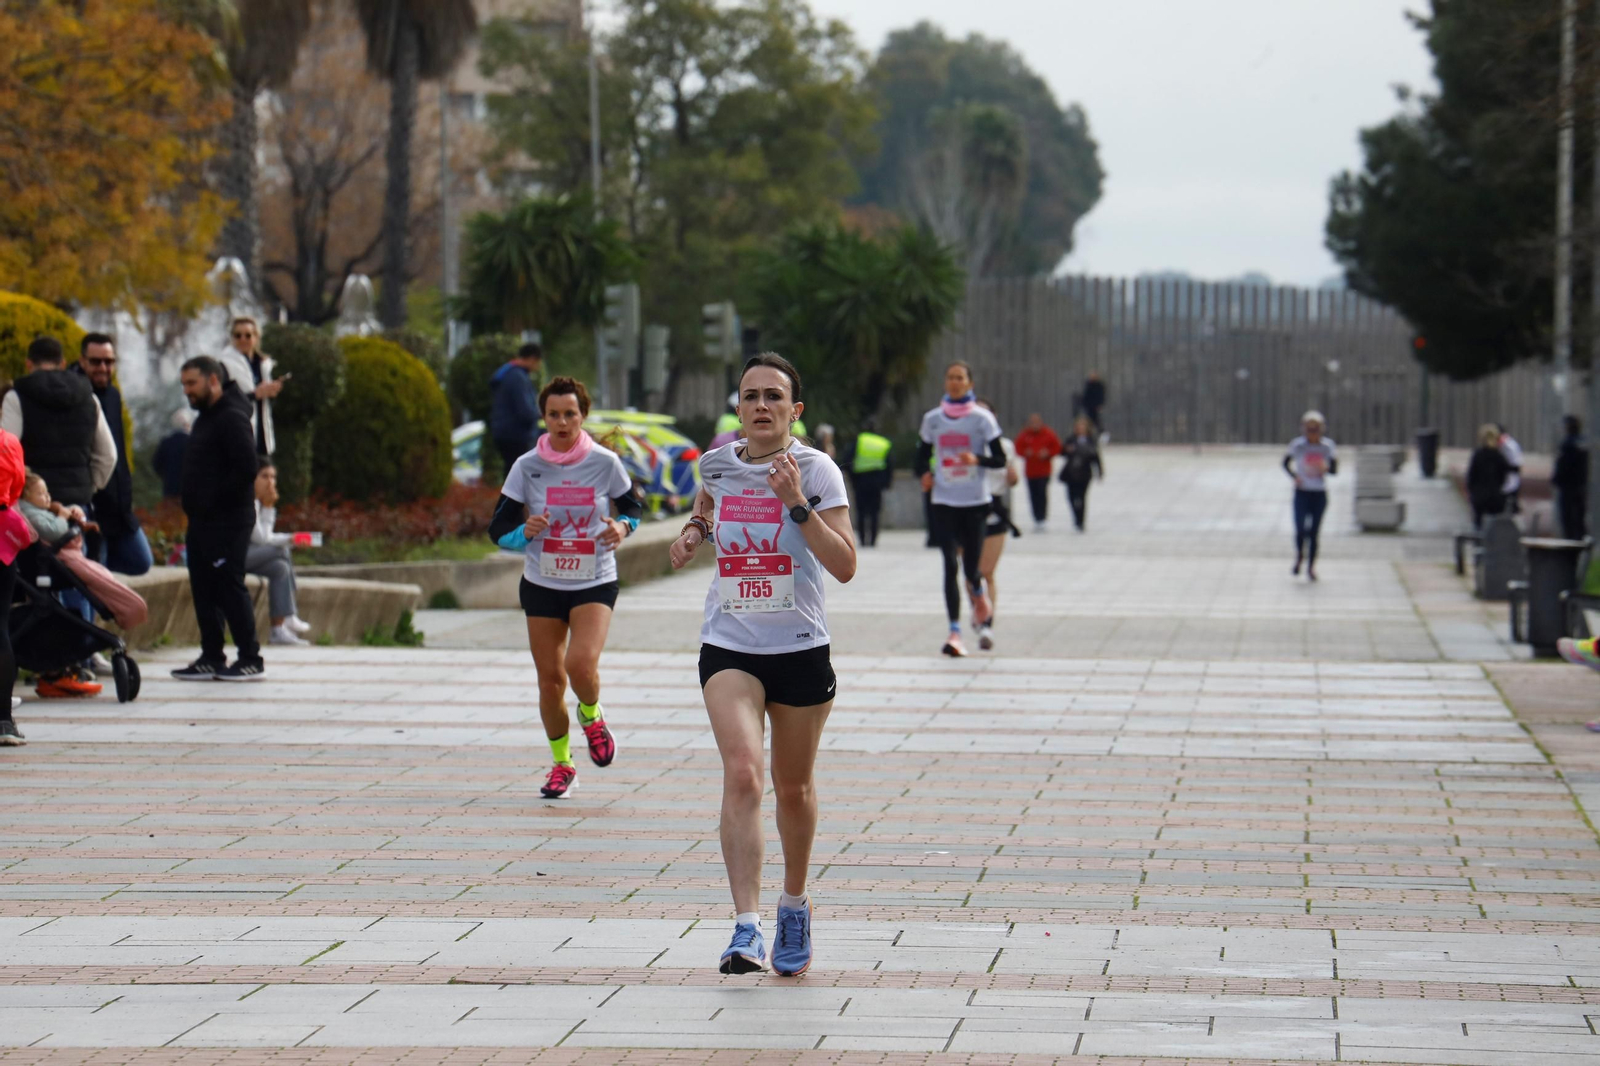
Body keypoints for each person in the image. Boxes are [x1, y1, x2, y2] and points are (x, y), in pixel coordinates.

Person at [668, 353, 855, 977]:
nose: (761, 406)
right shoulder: (718, 461)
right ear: (737, 406)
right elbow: (709, 497)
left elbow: (846, 564)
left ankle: (794, 905)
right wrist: (696, 530)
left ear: (794, 410)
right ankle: (745, 928)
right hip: (730, 643)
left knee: (793, 789)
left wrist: (796, 503)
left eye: (774, 396)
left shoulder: (817, 470)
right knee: (744, 774)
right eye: (750, 396)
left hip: (800, 647)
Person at [487, 376, 640, 800]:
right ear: (544, 417)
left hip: (594, 578)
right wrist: (525, 532)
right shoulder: (526, 466)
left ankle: (591, 715)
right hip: (542, 582)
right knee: (550, 682)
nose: (562, 422)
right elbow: (497, 529)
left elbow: (633, 506)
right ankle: (562, 764)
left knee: (580, 665)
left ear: (583, 415)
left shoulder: (605, 462)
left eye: (570, 413)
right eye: (553, 414)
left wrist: (622, 527)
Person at [172, 356, 265, 682]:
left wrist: (212, 501)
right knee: (203, 588)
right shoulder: (208, 416)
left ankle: (250, 657)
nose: (187, 391)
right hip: (202, 521)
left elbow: (246, 469)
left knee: (228, 585)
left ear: (213, 381)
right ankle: (212, 655)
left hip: (228, 521)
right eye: (184, 384)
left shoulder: (231, 417)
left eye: (192, 383)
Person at [919, 361, 1008, 657]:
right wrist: (926, 475)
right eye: (950, 377)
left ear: (970, 383)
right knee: (949, 565)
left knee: (972, 569)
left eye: (960, 378)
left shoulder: (982, 420)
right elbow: (920, 458)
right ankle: (955, 631)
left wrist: (977, 460)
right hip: (944, 501)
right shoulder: (932, 419)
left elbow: (999, 460)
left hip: (975, 503)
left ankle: (979, 594)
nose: (954, 382)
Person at [0, 337, 116, 511]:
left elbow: (6, 454)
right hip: (78, 505)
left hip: (32, 506)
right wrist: (88, 486)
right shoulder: (89, 398)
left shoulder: (17, 397)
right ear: (62, 363)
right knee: (76, 539)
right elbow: (109, 455)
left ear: (29, 364)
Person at [72, 334, 151, 575]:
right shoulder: (74, 395)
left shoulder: (113, 395)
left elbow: (117, 452)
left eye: (109, 361)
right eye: (96, 362)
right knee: (93, 579)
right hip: (92, 506)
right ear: (82, 361)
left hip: (120, 509)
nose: (103, 368)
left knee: (141, 561)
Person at [248, 457, 312, 647]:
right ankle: (290, 614)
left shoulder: (258, 503)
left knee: (279, 567)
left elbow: (264, 537)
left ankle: (278, 630)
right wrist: (269, 508)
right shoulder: (248, 502)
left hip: (251, 553)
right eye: (264, 476)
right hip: (234, 556)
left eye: (273, 477)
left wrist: (290, 539)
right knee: (282, 551)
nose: (270, 482)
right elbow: (261, 538)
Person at [976, 403, 1020, 651]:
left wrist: (1012, 476)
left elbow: (1012, 478)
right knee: (972, 573)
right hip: (965, 511)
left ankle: (987, 623)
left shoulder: (1005, 446)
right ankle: (978, 611)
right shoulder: (962, 444)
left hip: (994, 511)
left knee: (988, 571)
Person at [216, 316, 284, 456]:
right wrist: (255, 394)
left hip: (263, 436)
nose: (243, 339)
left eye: (248, 335)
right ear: (232, 338)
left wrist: (272, 391)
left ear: (256, 337)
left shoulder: (265, 364)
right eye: (238, 335)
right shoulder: (225, 365)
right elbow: (222, 400)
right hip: (238, 437)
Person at [1284, 410, 1337, 581]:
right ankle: (1299, 556)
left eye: (1315, 430)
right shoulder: (1297, 445)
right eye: (1309, 429)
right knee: (1300, 529)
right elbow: (1285, 463)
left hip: (1319, 493)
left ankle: (1311, 567)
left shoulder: (1327, 447)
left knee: (1314, 532)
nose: (1312, 433)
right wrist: (1295, 476)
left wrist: (1326, 468)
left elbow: (1335, 470)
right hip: (1302, 492)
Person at [0, 427, 27, 744]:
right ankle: (4, 720)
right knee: (0, 627)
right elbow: (18, 487)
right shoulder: (8, 442)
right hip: (2, 542)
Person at [488, 341, 544, 466]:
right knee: (520, 475)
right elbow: (525, 411)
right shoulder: (518, 377)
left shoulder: (507, 373)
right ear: (532, 359)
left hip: (504, 433)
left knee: (510, 472)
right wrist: (542, 414)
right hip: (518, 436)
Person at [848, 419, 893, 547]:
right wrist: (887, 483)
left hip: (861, 482)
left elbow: (847, 460)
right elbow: (889, 465)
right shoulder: (883, 443)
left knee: (861, 512)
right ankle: (873, 540)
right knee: (875, 512)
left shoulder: (859, 441)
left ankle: (862, 539)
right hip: (877, 483)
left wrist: (853, 479)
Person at [1015, 413, 1061, 530]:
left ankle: (1042, 517)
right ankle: (1036, 517)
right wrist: (1026, 452)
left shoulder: (1048, 433)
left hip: (1044, 471)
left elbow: (1057, 447)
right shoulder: (1025, 434)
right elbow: (1018, 448)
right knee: (1033, 494)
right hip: (1030, 471)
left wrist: (1048, 453)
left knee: (1042, 493)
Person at [1059, 417, 1103, 531]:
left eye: (1082, 427)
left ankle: (1080, 521)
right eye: (1078, 427)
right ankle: (1075, 517)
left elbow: (1096, 457)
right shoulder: (1071, 439)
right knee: (1071, 497)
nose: (1080, 429)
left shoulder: (1091, 441)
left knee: (1082, 497)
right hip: (1071, 474)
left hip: (1084, 474)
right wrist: (1066, 450)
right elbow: (1062, 452)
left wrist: (1100, 472)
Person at [1465, 423, 1510, 530]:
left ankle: (1478, 542)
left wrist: (1471, 492)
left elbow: (1471, 476)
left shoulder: (1477, 455)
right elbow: (1503, 476)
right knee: (1495, 524)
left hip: (1479, 496)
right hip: (1495, 496)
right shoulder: (1499, 456)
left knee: (1478, 523)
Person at [1554, 414, 1589, 541]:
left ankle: (1570, 545)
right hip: (1581, 485)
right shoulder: (1583, 443)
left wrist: (1556, 479)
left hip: (1568, 486)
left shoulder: (1567, 444)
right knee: (1579, 516)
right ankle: (1580, 540)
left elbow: (1563, 465)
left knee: (1567, 517)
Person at [154, 409, 192, 501]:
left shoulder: (166, 443)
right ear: (187, 424)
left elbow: (156, 464)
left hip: (169, 490)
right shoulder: (193, 442)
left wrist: (167, 476)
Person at [1497, 424, 1523, 516]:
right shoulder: (1508, 444)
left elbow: (1516, 467)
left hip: (1509, 483)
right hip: (1509, 483)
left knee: (1509, 509)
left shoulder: (1508, 446)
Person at [1080, 371, 1107, 436]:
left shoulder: (1099, 385)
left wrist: (1100, 404)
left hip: (1095, 406)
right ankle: (1089, 433)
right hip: (1088, 406)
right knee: (1089, 420)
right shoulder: (1088, 384)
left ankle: (1101, 432)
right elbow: (1086, 395)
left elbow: (1101, 396)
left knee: (1095, 420)